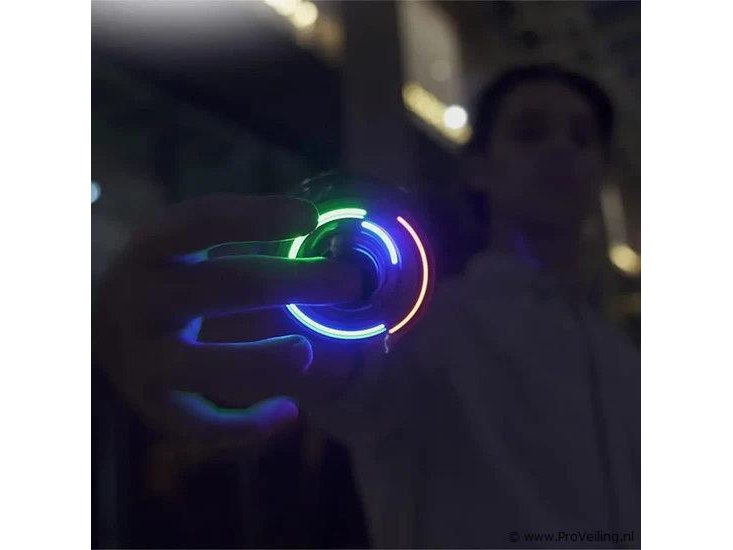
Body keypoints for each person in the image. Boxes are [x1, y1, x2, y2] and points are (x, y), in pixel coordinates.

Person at [94, 65, 640, 548]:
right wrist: (142, 321)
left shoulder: (624, 357)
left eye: (582, 136)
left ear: (600, 169)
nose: (562, 148)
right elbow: (358, 376)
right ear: (477, 167)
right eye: (530, 131)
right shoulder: (434, 324)